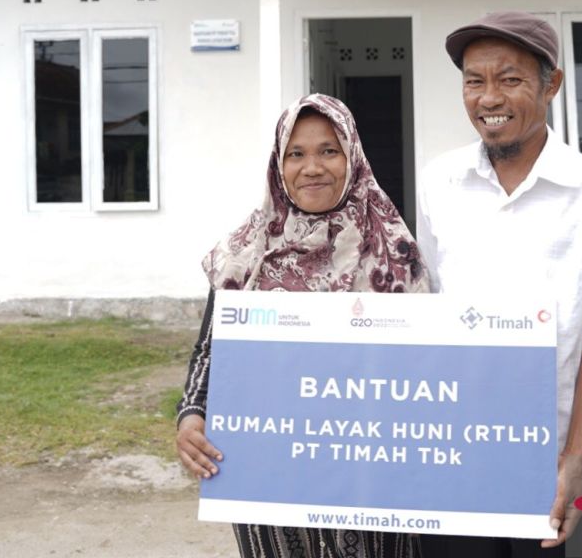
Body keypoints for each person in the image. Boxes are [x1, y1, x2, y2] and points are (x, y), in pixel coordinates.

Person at [416, 12, 582, 558]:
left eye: (510, 79)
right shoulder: (439, 181)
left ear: (552, 85)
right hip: (456, 464)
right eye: (474, 81)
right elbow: (427, 309)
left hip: (554, 472)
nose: (488, 98)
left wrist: (575, 462)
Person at [174, 93, 431, 558]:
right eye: (296, 153)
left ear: (352, 156)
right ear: (279, 164)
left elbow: (427, 367)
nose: (312, 167)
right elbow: (210, 350)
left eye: (328, 150)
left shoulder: (394, 252)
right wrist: (192, 414)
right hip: (267, 472)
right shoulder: (246, 252)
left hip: (370, 474)